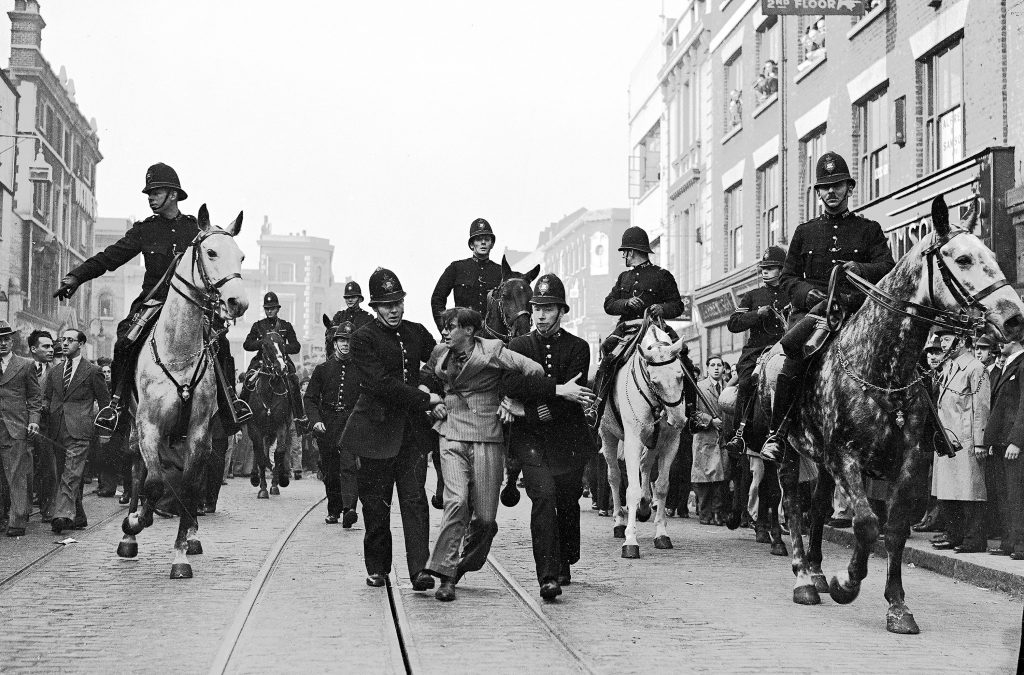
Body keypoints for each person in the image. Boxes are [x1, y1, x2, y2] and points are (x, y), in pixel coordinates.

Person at [53, 163, 251, 432]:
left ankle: (230, 405)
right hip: (154, 302)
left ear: (172, 194)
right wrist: (76, 277)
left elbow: (218, 261)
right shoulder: (145, 230)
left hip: (192, 306)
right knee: (124, 341)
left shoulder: (196, 229)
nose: (150, 197)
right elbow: (110, 257)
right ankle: (116, 406)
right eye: (149, 193)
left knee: (221, 345)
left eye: (155, 192)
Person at [760, 152, 896, 461]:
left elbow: (887, 266)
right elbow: (788, 278)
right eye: (825, 187)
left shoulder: (869, 229)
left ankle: (923, 433)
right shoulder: (805, 232)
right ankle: (776, 433)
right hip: (814, 314)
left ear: (850, 188)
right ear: (818, 192)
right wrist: (807, 294)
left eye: (837, 185)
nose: (831, 192)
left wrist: (860, 268)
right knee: (794, 359)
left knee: (902, 357)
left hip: (856, 312)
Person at [422, 307, 543, 601]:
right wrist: (431, 401)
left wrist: (511, 400)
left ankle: (463, 563)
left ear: (469, 330)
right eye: (444, 327)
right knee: (457, 501)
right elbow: (424, 379)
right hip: (450, 432)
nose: (445, 332)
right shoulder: (440, 353)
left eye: (451, 327)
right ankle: (445, 575)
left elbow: (535, 370)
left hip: (486, 435)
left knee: (486, 520)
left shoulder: (493, 350)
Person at [339, 267, 444, 590]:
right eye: (386, 304)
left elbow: (438, 361)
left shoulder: (416, 332)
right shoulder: (362, 339)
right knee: (376, 504)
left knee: (415, 501)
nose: (394, 309)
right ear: (374, 307)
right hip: (374, 433)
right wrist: (425, 399)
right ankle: (378, 567)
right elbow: (381, 384)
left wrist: (432, 382)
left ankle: (420, 571)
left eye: (398, 302)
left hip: (412, 434)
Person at [501, 274, 597, 600]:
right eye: (537, 308)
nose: (541, 315)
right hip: (532, 441)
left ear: (561, 311)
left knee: (568, 502)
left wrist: (529, 402)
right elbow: (510, 386)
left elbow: (578, 394)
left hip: (569, 440)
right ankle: (547, 576)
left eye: (548, 308)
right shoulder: (518, 347)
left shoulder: (578, 348)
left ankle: (564, 559)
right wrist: (555, 392)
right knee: (542, 499)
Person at [591, 226, 693, 424]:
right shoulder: (623, 278)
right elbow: (609, 304)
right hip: (628, 330)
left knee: (684, 361)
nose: (624, 257)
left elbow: (678, 306)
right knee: (608, 359)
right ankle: (597, 408)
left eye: (625, 252)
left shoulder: (662, 275)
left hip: (655, 329)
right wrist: (626, 304)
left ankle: (692, 411)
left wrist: (662, 309)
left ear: (632, 251)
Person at [42, 330, 110, 534]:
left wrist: (104, 431)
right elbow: (47, 398)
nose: (64, 344)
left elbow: (105, 403)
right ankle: (78, 516)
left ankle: (61, 514)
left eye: (70, 340)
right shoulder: (55, 372)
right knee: (67, 473)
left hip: (80, 430)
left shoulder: (93, 371)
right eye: (62, 340)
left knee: (71, 472)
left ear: (80, 344)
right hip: (57, 429)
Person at [928, 330, 990, 553]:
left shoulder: (976, 368)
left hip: (966, 438)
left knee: (970, 491)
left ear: (962, 341)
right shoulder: (950, 367)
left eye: (946, 339)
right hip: (947, 439)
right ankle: (955, 535)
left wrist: (980, 441)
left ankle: (974, 539)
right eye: (941, 339)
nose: (942, 344)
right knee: (949, 491)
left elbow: (981, 407)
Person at [722, 245, 787, 456]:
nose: (765, 272)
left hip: (786, 348)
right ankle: (740, 435)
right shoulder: (752, 296)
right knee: (747, 381)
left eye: (771, 268)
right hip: (757, 351)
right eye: (763, 268)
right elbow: (734, 323)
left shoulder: (792, 293)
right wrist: (757, 314)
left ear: (782, 269)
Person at [305, 322, 362, 527]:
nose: (345, 344)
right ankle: (334, 509)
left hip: (350, 422)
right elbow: (310, 398)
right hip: (327, 423)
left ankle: (349, 509)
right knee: (330, 470)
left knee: (348, 465)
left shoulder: (359, 369)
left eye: (348, 340)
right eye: (342, 340)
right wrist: (316, 421)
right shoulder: (322, 370)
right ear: (335, 342)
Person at [243, 291, 308, 433]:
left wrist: (279, 346)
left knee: (294, 381)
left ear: (278, 309)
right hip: (262, 362)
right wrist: (262, 343)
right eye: (267, 308)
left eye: (272, 308)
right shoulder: (258, 326)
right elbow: (247, 345)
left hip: (281, 360)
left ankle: (299, 417)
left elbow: (296, 346)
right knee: (248, 380)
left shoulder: (286, 326)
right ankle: (241, 411)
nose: (269, 310)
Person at [0, 321, 42, 537]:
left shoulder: (25, 365)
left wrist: (34, 420)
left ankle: (17, 520)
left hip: (15, 428)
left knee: (16, 475)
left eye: (6, 339)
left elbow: (35, 396)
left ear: (13, 340)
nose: (2, 343)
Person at [984, 338, 1024, 559]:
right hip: (1002, 442)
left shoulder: (1022, 364)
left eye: (1006, 337)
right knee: (1005, 494)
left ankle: (1020, 545)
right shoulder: (1009, 364)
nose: (1000, 341)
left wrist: (1017, 441)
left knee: (1016, 495)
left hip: (1012, 443)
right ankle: (1009, 542)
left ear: (1018, 339)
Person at [430, 218, 503, 332]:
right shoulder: (456, 268)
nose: (483, 242)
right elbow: (437, 298)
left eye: (487, 239)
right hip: (461, 333)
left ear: (492, 244)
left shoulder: (500, 272)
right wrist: (445, 329)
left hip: (491, 337)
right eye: (478, 239)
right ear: (471, 244)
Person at [690, 356, 728, 525]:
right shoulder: (699, 388)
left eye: (719, 365)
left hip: (723, 439)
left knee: (721, 479)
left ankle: (718, 513)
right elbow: (693, 412)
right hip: (705, 437)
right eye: (712, 365)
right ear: (707, 369)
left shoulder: (729, 388)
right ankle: (705, 513)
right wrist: (710, 420)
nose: (716, 368)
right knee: (704, 478)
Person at [27, 330, 56, 521]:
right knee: (26, 468)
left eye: (52, 346)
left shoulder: (57, 370)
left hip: (47, 427)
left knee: (48, 468)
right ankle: (23, 508)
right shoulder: (22, 367)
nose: (51, 350)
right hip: (24, 425)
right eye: (46, 346)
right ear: (33, 349)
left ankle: (48, 508)